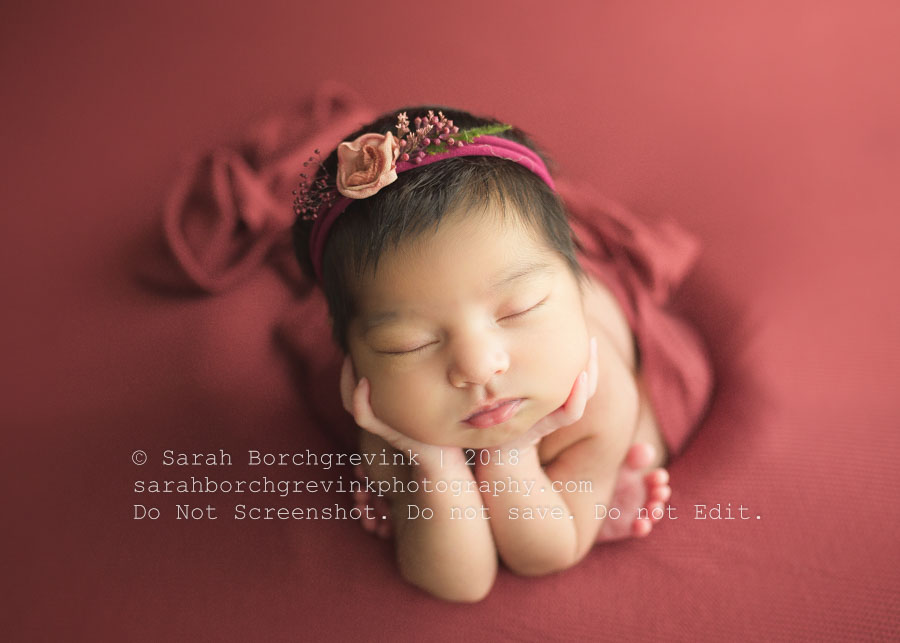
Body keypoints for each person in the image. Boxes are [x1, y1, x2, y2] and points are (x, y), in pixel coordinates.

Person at [291, 107, 711, 602]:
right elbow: (459, 582)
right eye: (409, 343)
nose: (478, 366)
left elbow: (545, 556)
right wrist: (434, 466)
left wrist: (510, 454)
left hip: (603, 353)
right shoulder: (390, 414)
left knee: (645, 447)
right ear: (358, 358)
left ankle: (589, 489)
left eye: (520, 311)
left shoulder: (596, 391)